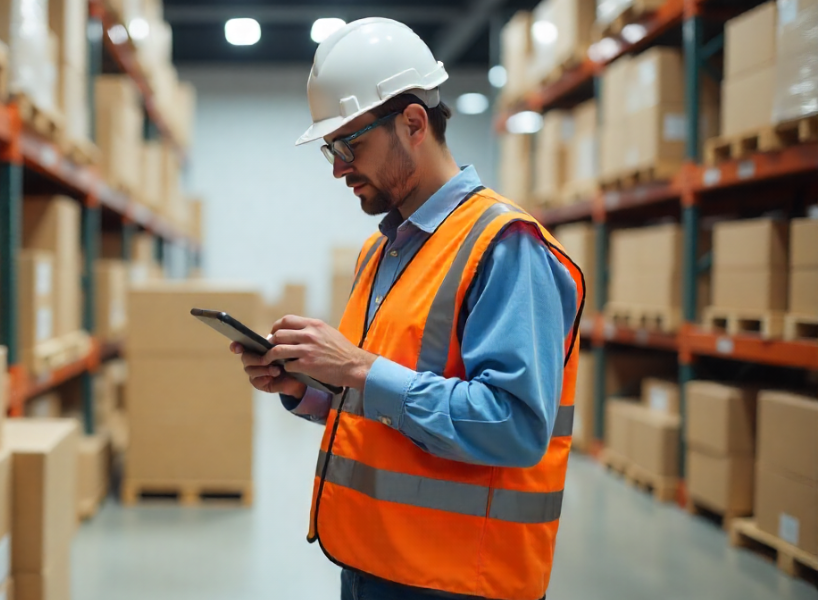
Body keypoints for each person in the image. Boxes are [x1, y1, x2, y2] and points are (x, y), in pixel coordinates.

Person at [228, 18, 586, 600]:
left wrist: (359, 369)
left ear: (413, 123)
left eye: (350, 144)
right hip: (375, 564)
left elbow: (517, 428)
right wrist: (305, 389)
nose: (339, 167)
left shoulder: (505, 247)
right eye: (331, 150)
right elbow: (381, 404)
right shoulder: (381, 253)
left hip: (458, 579)